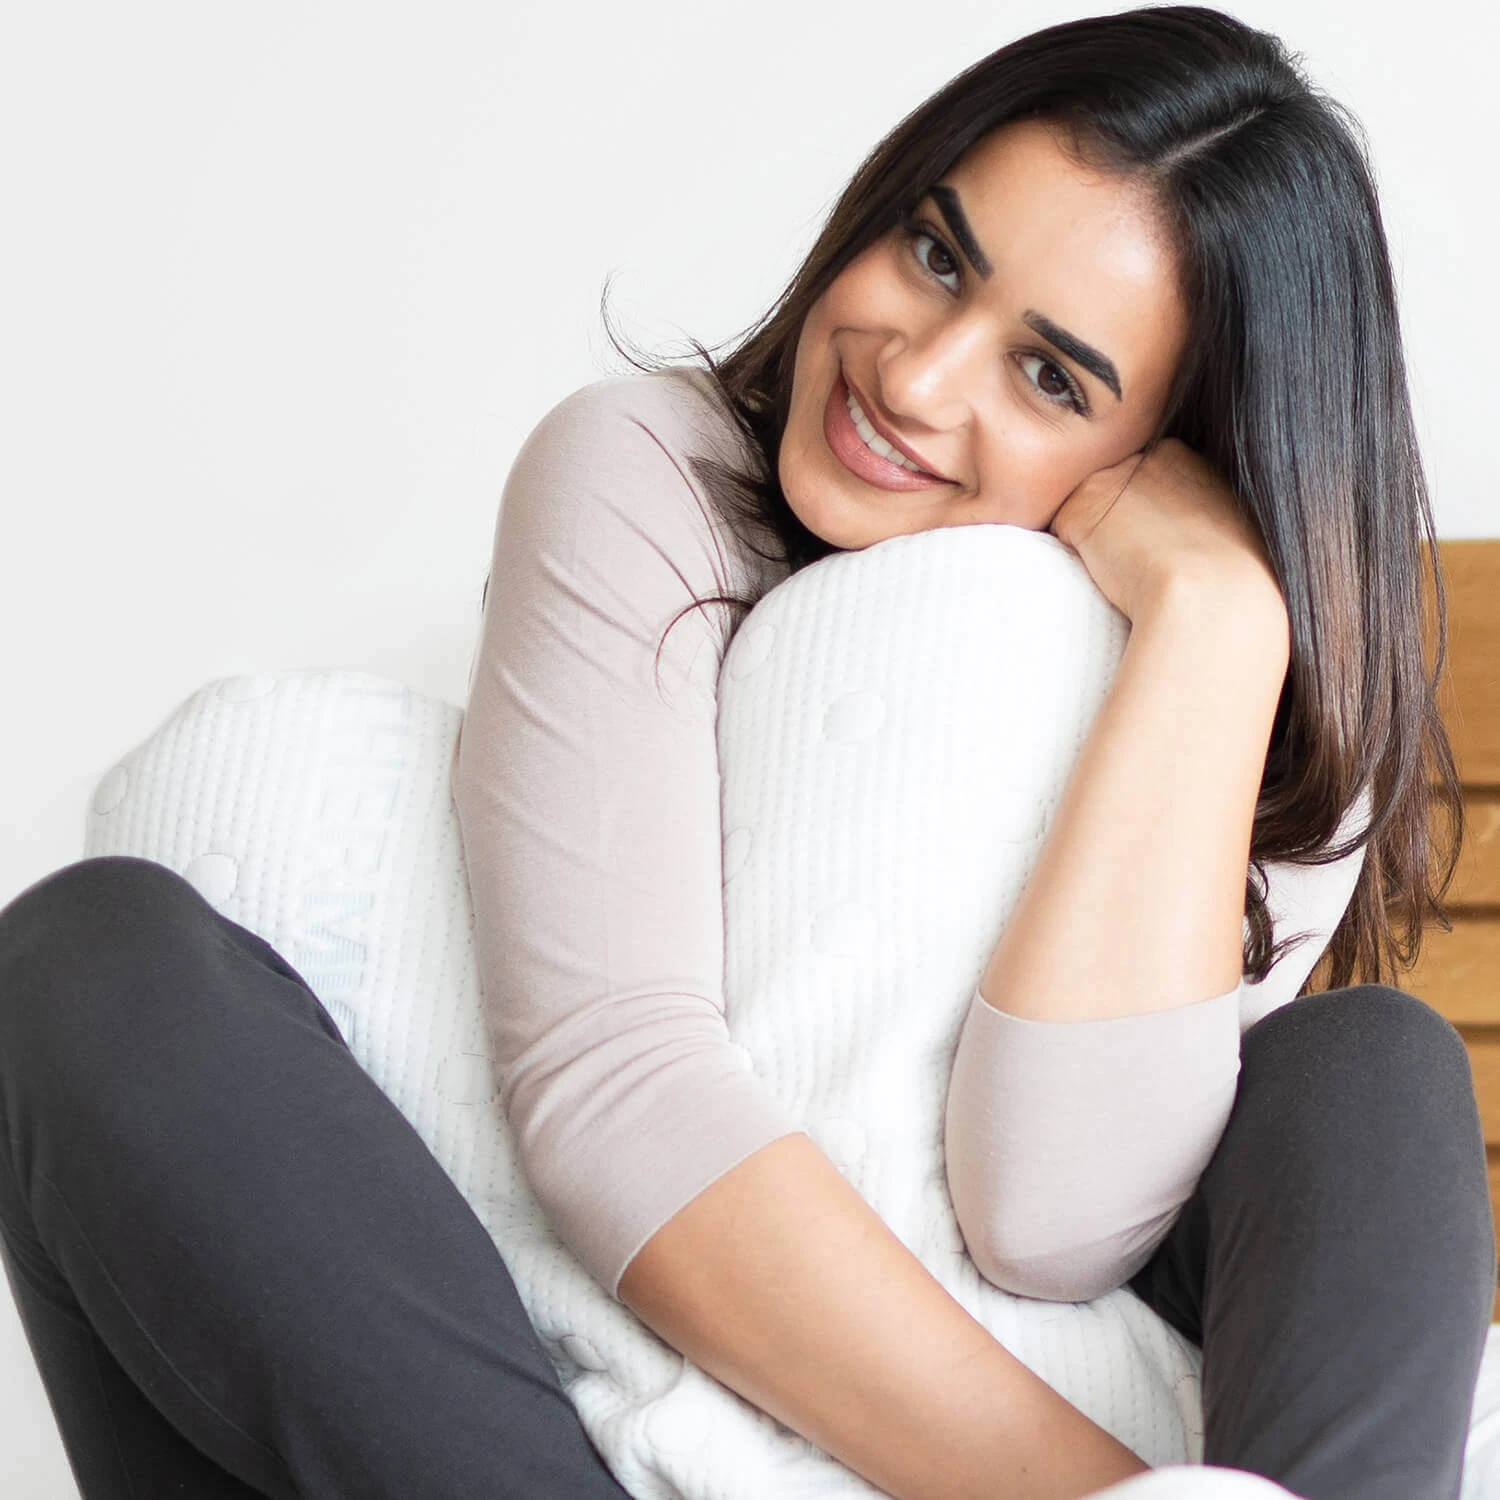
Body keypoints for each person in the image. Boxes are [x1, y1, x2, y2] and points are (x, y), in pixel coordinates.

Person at [0, 5, 1491, 1498]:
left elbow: (1052, 1218)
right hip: (510, 1439)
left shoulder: (1255, 690)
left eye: (1051, 378)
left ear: (1190, 458)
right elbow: (618, 1096)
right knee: (84, 967)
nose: (916, 378)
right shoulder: (654, 472)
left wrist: (1213, 629)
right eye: (937, 255)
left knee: (1368, 1069)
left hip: (1091, 1338)